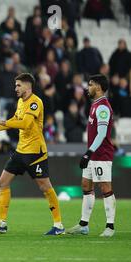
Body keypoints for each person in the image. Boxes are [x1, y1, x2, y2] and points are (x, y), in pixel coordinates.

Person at [0, 73, 64, 235]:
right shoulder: (20, 102)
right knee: (2, 182)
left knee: (45, 187)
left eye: (18, 85)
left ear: (27, 86)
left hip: (35, 152)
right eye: (15, 85)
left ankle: (58, 225)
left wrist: (0, 121)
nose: (15, 88)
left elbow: (25, 124)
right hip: (21, 150)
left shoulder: (35, 102)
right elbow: (15, 120)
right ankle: (1, 223)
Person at [67, 74, 116, 237]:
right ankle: (83, 225)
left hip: (101, 154)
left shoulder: (102, 107)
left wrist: (88, 153)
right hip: (93, 154)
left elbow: (101, 134)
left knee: (105, 188)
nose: (87, 87)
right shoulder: (94, 105)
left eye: (91, 84)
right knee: (86, 186)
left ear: (99, 87)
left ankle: (110, 226)